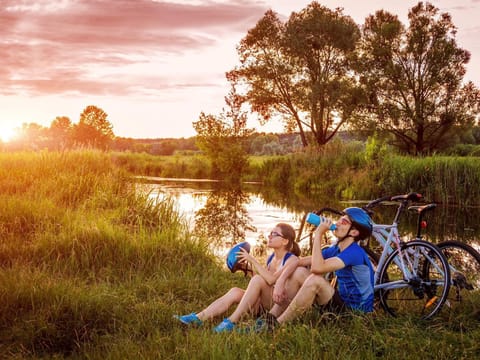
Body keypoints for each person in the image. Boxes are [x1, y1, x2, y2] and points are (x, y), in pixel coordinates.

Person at [257, 207, 375, 331]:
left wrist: (318, 234)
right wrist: (281, 280)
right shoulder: (337, 249)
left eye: (344, 222)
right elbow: (299, 261)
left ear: (354, 232)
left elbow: (317, 268)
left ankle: (276, 326)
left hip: (356, 314)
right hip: (341, 303)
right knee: (299, 272)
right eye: (340, 219)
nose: (338, 222)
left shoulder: (354, 252)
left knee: (315, 280)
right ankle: (270, 317)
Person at [173, 222, 303, 333]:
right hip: (264, 303)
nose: (269, 236)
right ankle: (199, 318)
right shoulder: (271, 258)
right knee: (235, 291)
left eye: (274, 234)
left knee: (257, 280)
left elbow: (271, 280)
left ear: (285, 241)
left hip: (277, 307)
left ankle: (231, 322)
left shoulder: (291, 259)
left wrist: (252, 259)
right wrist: (247, 268)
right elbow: (261, 282)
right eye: (270, 233)